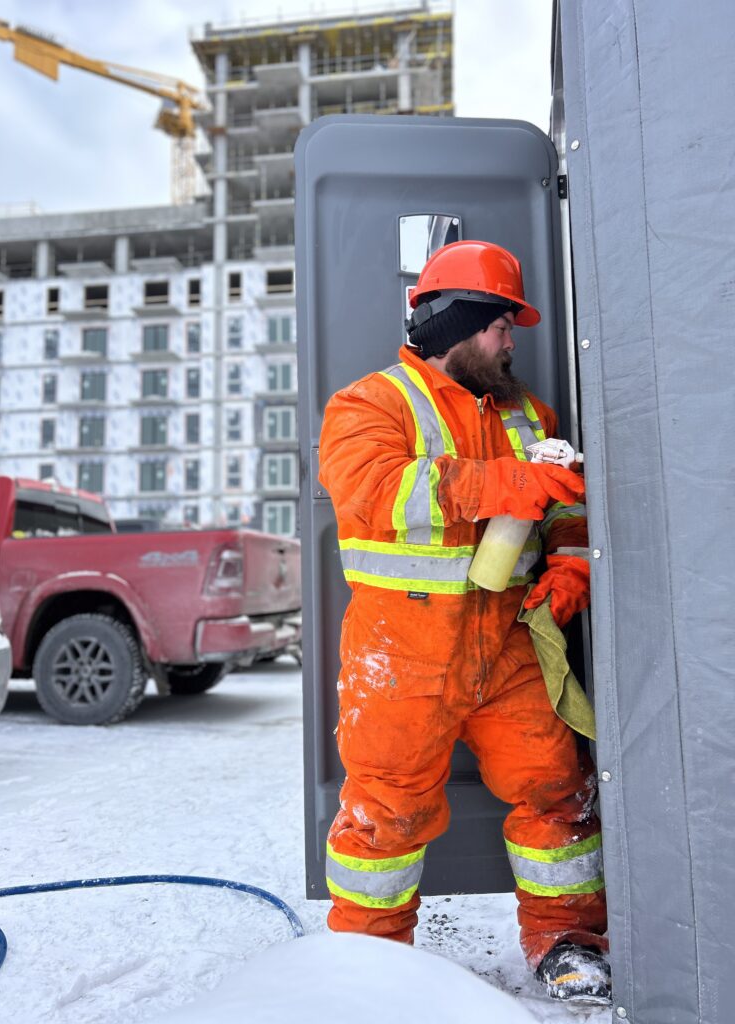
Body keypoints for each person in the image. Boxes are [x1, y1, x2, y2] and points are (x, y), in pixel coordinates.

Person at [317, 240, 610, 1003]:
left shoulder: (528, 412)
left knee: (557, 789)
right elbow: (376, 491)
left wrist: (570, 564)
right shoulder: (368, 404)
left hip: (508, 646)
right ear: (456, 322)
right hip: (401, 655)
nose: (511, 342)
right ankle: (368, 964)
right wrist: (505, 482)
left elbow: (564, 506)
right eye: (501, 327)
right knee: (384, 814)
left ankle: (569, 940)